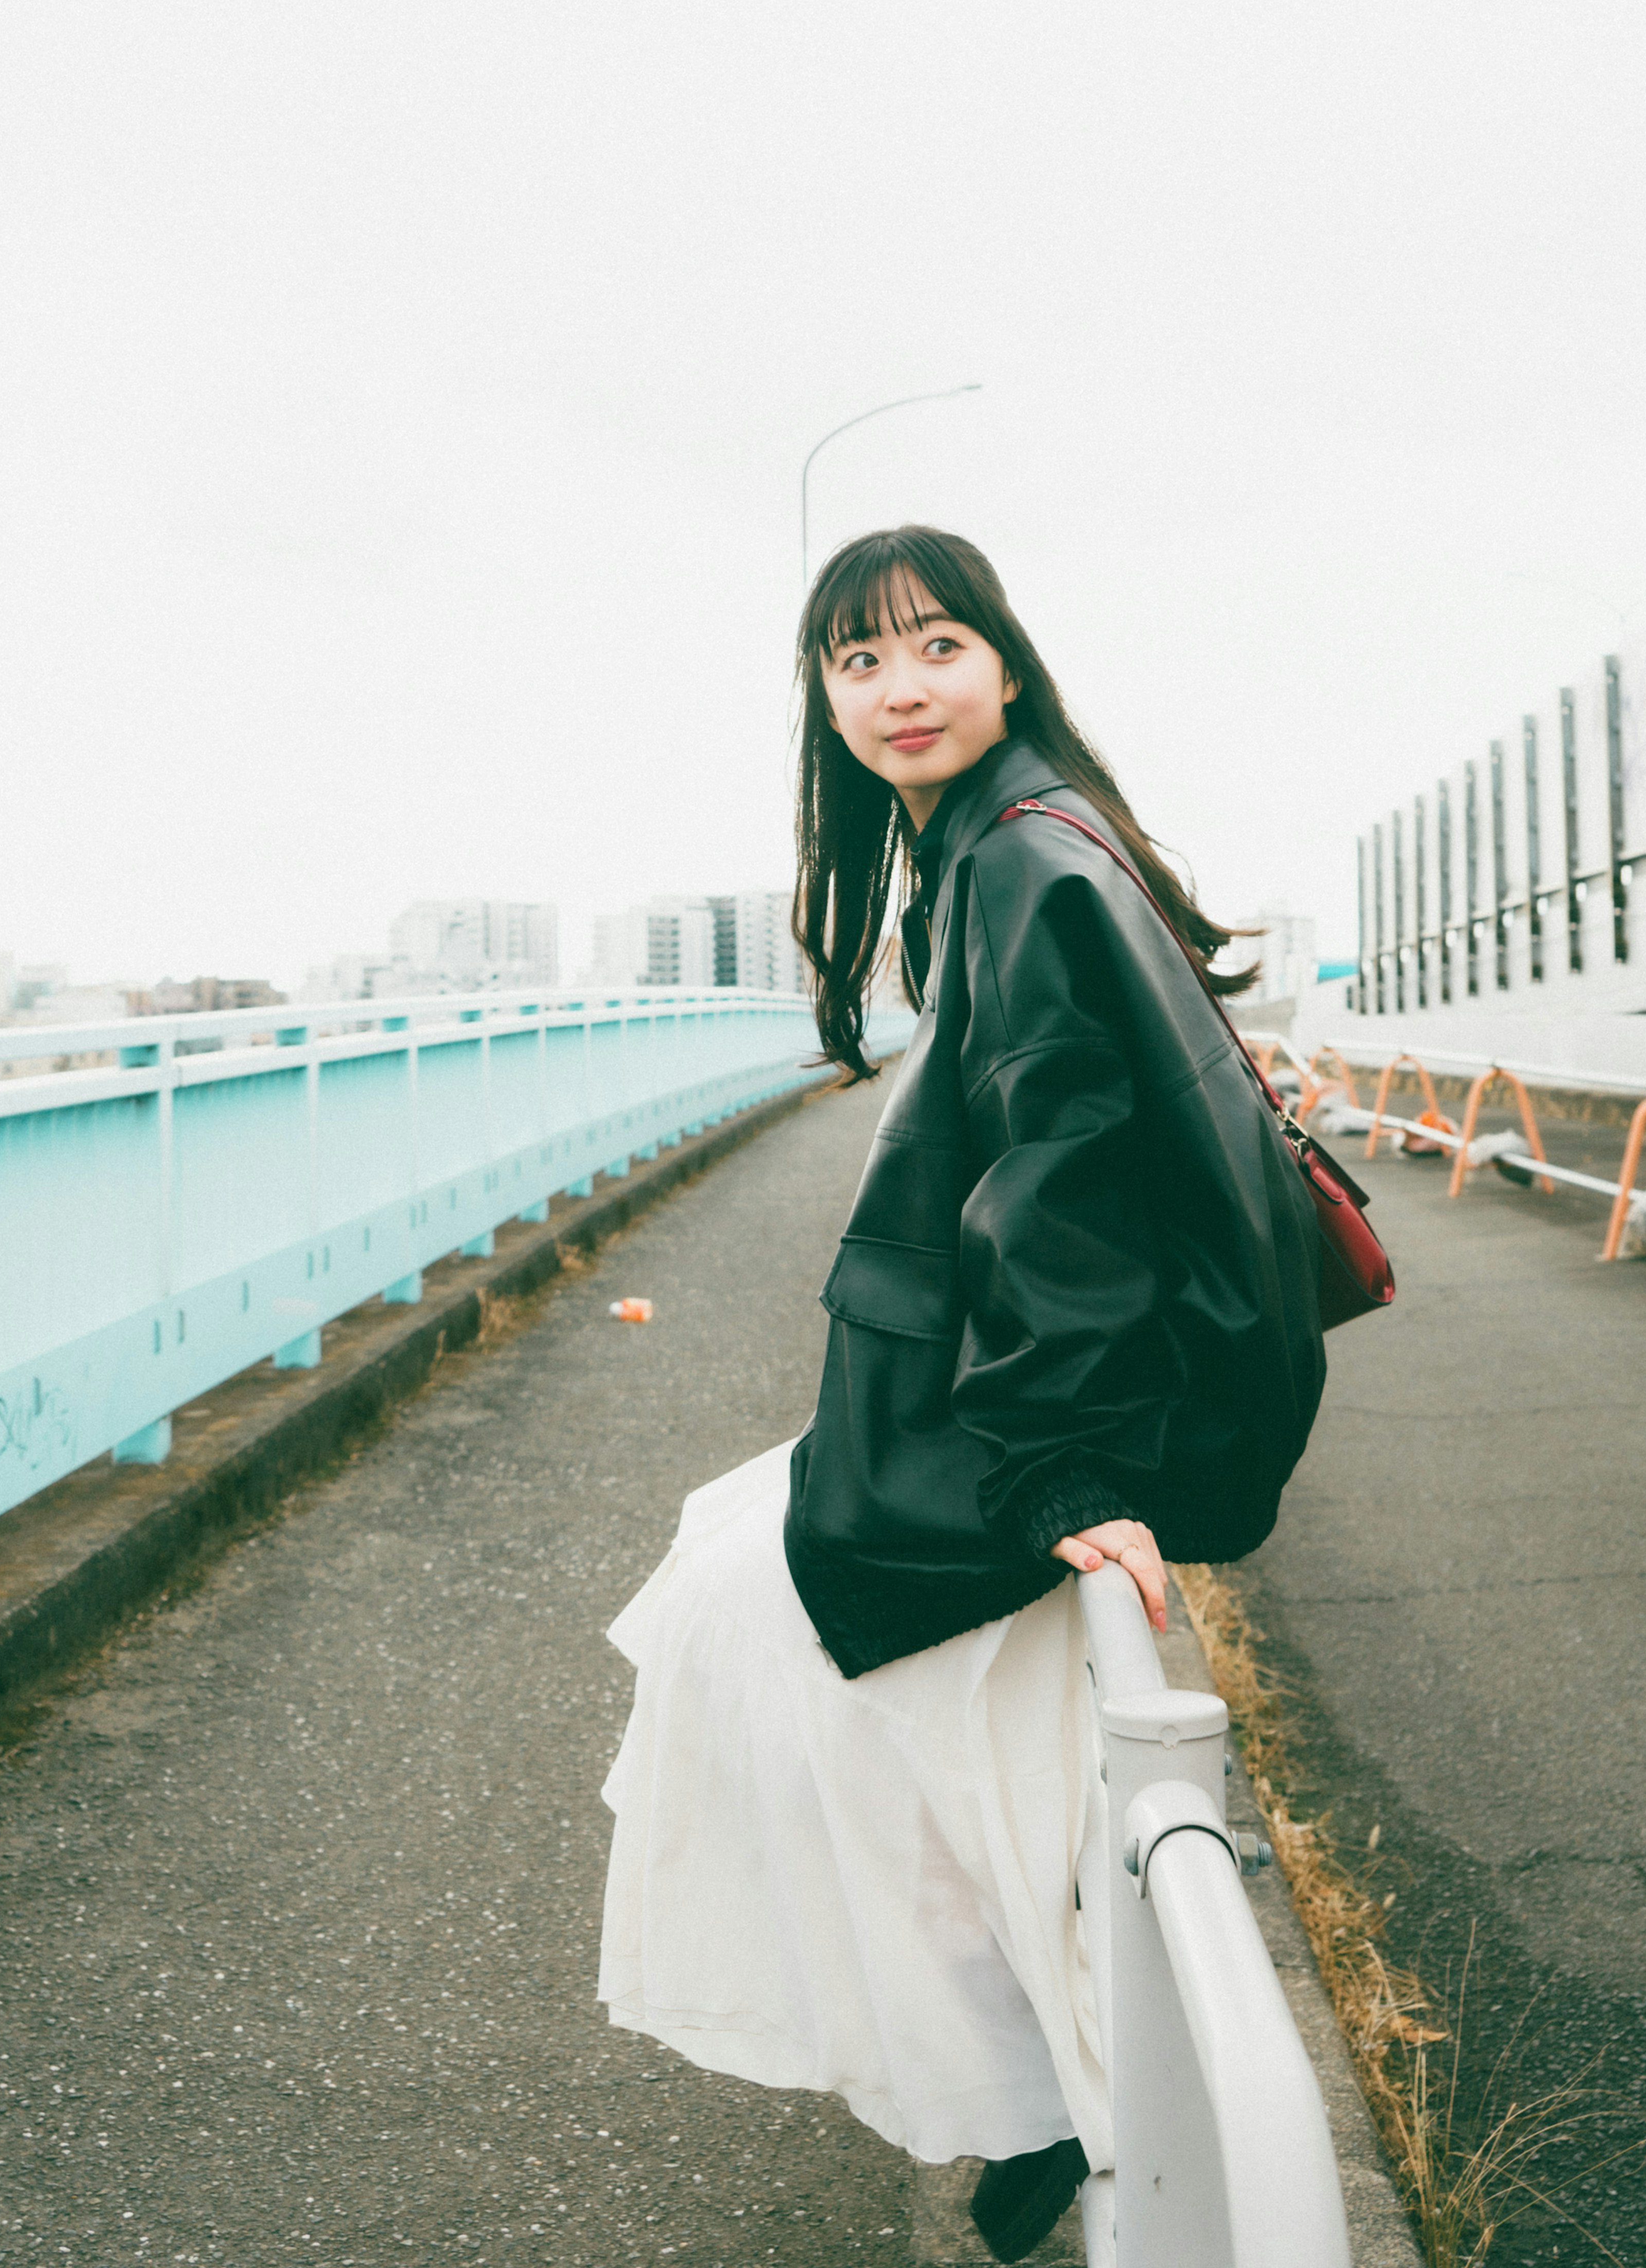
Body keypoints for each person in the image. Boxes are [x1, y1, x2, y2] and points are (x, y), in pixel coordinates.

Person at [598, 525, 1326, 2263]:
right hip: (1030, 1392)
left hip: (1055, 1414)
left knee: (780, 1653)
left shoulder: (1017, 857)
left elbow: (1064, 1163)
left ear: (1004, 662)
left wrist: (1069, 1477)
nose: (898, 687)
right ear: (825, 701)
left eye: (934, 646)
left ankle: (1047, 2098)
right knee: (752, 1608)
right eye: (858, 661)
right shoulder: (1014, 834)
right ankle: (1032, 2090)